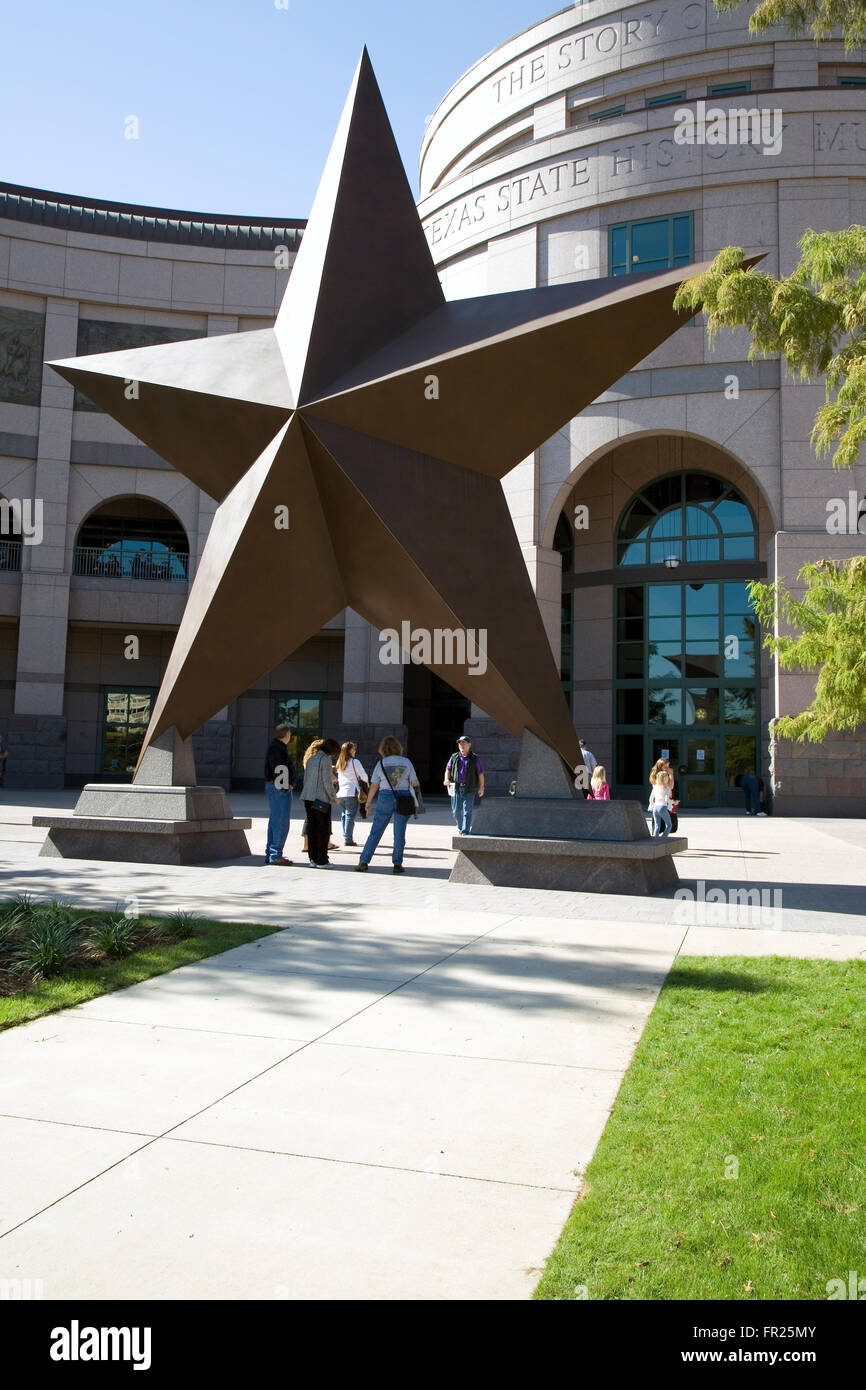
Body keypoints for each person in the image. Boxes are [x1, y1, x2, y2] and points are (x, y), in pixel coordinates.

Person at [356, 735, 420, 874]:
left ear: (383, 749)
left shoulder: (381, 763)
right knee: (399, 833)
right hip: (403, 797)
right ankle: (397, 863)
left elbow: (374, 786)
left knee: (376, 831)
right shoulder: (406, 762)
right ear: (398, 747)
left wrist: (368, 802)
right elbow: (415, 783)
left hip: (385, 797)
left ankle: (364, 861)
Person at [301, 737, 340, 866]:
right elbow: (327, 781)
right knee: (323, 829)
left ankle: (312, 858)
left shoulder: (311, 759)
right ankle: (322, 860)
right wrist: (333, 796)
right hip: (321, 799)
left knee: (312, 828)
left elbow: (306, 778)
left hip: (308, 797)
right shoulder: (325, 760)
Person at [263, 723, 294, 866]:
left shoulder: (274, 746)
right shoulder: (278, 748)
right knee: (280, 821)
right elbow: (279, 768)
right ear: (286, 735)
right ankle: (275, 854)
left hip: (274, 786)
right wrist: (286, 785)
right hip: (279, 788)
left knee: (275, 820)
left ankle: (271, 853)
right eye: (290, 734)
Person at [443, 734, 485, 834]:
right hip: (456, 787)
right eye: (460, 744)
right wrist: (446, 779)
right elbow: (447, 770)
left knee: (467, 811)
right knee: (456, 811)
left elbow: (480, 774)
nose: (461, 745)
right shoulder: (454, 757)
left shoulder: (475, 759)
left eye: (464, 743)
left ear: (469, 745)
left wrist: (481, 787)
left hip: (470, 788)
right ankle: (461, 827)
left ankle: (465, 831)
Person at [335, 741, 368, 846]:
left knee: (344, 815)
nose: (355, 751)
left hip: (340, 793)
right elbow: (365, 777)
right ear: (349, 751)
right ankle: (348, 839)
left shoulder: (339, 762)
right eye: (353, 749)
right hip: (351, 792)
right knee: (350, 815)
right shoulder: (355, 762)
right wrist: (366, 782)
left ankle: (346, 836)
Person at [649, 768, 674, 838]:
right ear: (665, 779)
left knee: (657, 825)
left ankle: (655, 839)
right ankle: (663, 838)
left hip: (655, 807)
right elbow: (666, 799)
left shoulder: (655, 787)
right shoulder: (667, 788)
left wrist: (651, 805)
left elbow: (651, 798)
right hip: (662, 807)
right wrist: (673, 802)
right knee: (669, 825)